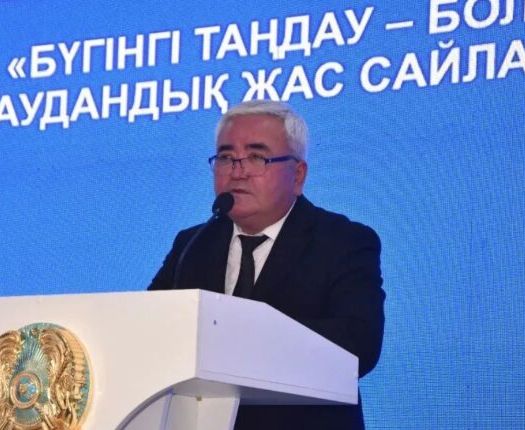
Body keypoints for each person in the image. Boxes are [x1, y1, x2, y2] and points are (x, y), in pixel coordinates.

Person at [148, 100, 385, 429]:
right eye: (226, 157)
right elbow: (151, 327)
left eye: (256, 157)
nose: (238, 171)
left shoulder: (343, 241)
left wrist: (240, 335)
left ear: (298, 175)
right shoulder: (193, 244)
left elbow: (360, 345)